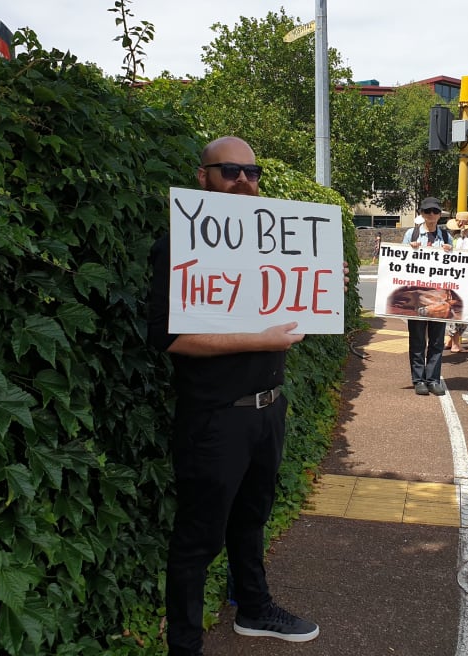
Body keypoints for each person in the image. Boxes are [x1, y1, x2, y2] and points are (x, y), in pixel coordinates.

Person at [148, 136, 338, 653]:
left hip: (267, 411)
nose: (244, 182)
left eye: (252, 173)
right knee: (198, 540)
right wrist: (258, 340)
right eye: (230, 171)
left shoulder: (276, 245)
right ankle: (184, 647)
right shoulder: (178, 247)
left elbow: (289, 315)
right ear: (203, 177)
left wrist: (320, 290)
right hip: (214, 419)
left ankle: (253, 608)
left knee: (251, 520)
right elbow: (171, 339)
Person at [403, 197, 452, 395]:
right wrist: (410, 250)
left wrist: (450, 252)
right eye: (427, 211)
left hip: (439, 297)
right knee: (417, 340)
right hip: (417, 295)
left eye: (435, 211)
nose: (431, 215)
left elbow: (460, 267)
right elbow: (397, 262)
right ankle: (418, 380)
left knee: (437, 341)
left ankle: (433, 378)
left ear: (440, 214)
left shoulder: (447, 237)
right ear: (421, 213)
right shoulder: (411, 234)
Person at [446, 225, 468, 353]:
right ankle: (455, 344)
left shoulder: (451, 239)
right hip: (462, 279)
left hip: (451, 278)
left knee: (453, 309)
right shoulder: (466, 241)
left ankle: (451, 341)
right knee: (461, 311)